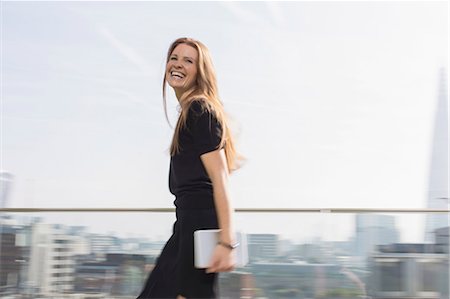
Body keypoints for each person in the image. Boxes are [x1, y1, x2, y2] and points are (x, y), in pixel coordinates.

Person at [137, 37, 243, 299]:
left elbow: (220, 181)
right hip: (185, 229)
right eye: (174, 58)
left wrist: (227, 243)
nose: (178, 64)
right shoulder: (189, 113)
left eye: (188, 60)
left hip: (199, 230)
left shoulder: (200, 110)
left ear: (200, 70)